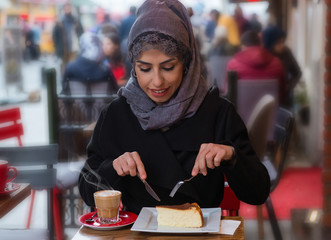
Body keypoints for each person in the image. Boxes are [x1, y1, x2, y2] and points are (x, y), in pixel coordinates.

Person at [78, 0, 270, 215]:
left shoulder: (216, 111)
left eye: (168, 67)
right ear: (134, 67)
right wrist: (113, 168)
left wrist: (232, 156)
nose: (157, 81)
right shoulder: (117, 115)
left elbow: (258, 192)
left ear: (187, 64)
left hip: (201, 233)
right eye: (145, 69)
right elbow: (87, 191)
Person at [226, 30, 286, 104]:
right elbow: (282, 96)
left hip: (239, 114)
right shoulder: (277, 64)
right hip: (271, 114)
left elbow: (228, 95)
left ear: (243, 47)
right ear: (261, 45)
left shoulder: (232, 65)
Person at [262, 25, 302, 109]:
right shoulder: (262, 55)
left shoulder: (286, 52)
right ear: (270, 43)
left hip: (283, 98)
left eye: (282, 41)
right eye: (278, 42)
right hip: (264, 97)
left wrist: (288, 87)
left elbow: (297, 73)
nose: (282, 45)